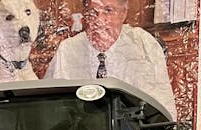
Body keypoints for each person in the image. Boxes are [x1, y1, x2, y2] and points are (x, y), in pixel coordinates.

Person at [45, 0, 177, 119]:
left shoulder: (144, 45)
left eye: (108, 11)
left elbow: (165, 109)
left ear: (123, 13)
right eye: (93, 12)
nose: (99, 20)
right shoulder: (68, 50)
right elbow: (49, 109)